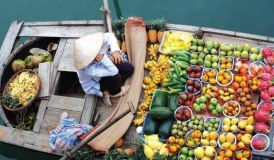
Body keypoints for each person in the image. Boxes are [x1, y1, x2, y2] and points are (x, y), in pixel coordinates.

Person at [73, 32, 134, 106]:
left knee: (129, 69)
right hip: (96, 84)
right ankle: (114, 92)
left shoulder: (92, 44)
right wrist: (103, 59)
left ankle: (109, 88)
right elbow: (114, 71)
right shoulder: (87, 69)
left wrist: (115, 51)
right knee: (116, 76)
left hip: (102, 67)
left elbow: (110, 36)